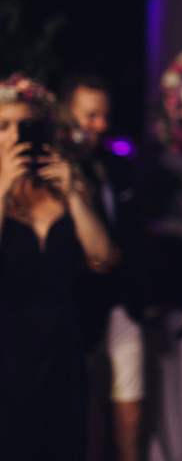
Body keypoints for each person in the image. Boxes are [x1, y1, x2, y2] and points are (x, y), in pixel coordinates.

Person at [0, 74, 113, 460]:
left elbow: (103, 259)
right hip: (8, 343)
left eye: (24, 126)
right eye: (3, 126)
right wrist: (2, 190)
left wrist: (75, 197)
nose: (15, 136)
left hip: (63, 339)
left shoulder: (63, 186)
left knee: (63, 441)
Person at [60, 73, 145, 461]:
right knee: (85, 414)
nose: (101, 125)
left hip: (123, 300)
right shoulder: (50, 171)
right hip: (75, 305)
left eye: (104, 116)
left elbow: (133, 231)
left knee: (130, 408)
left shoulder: (115, 164)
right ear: (65, 114)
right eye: (90, 115)